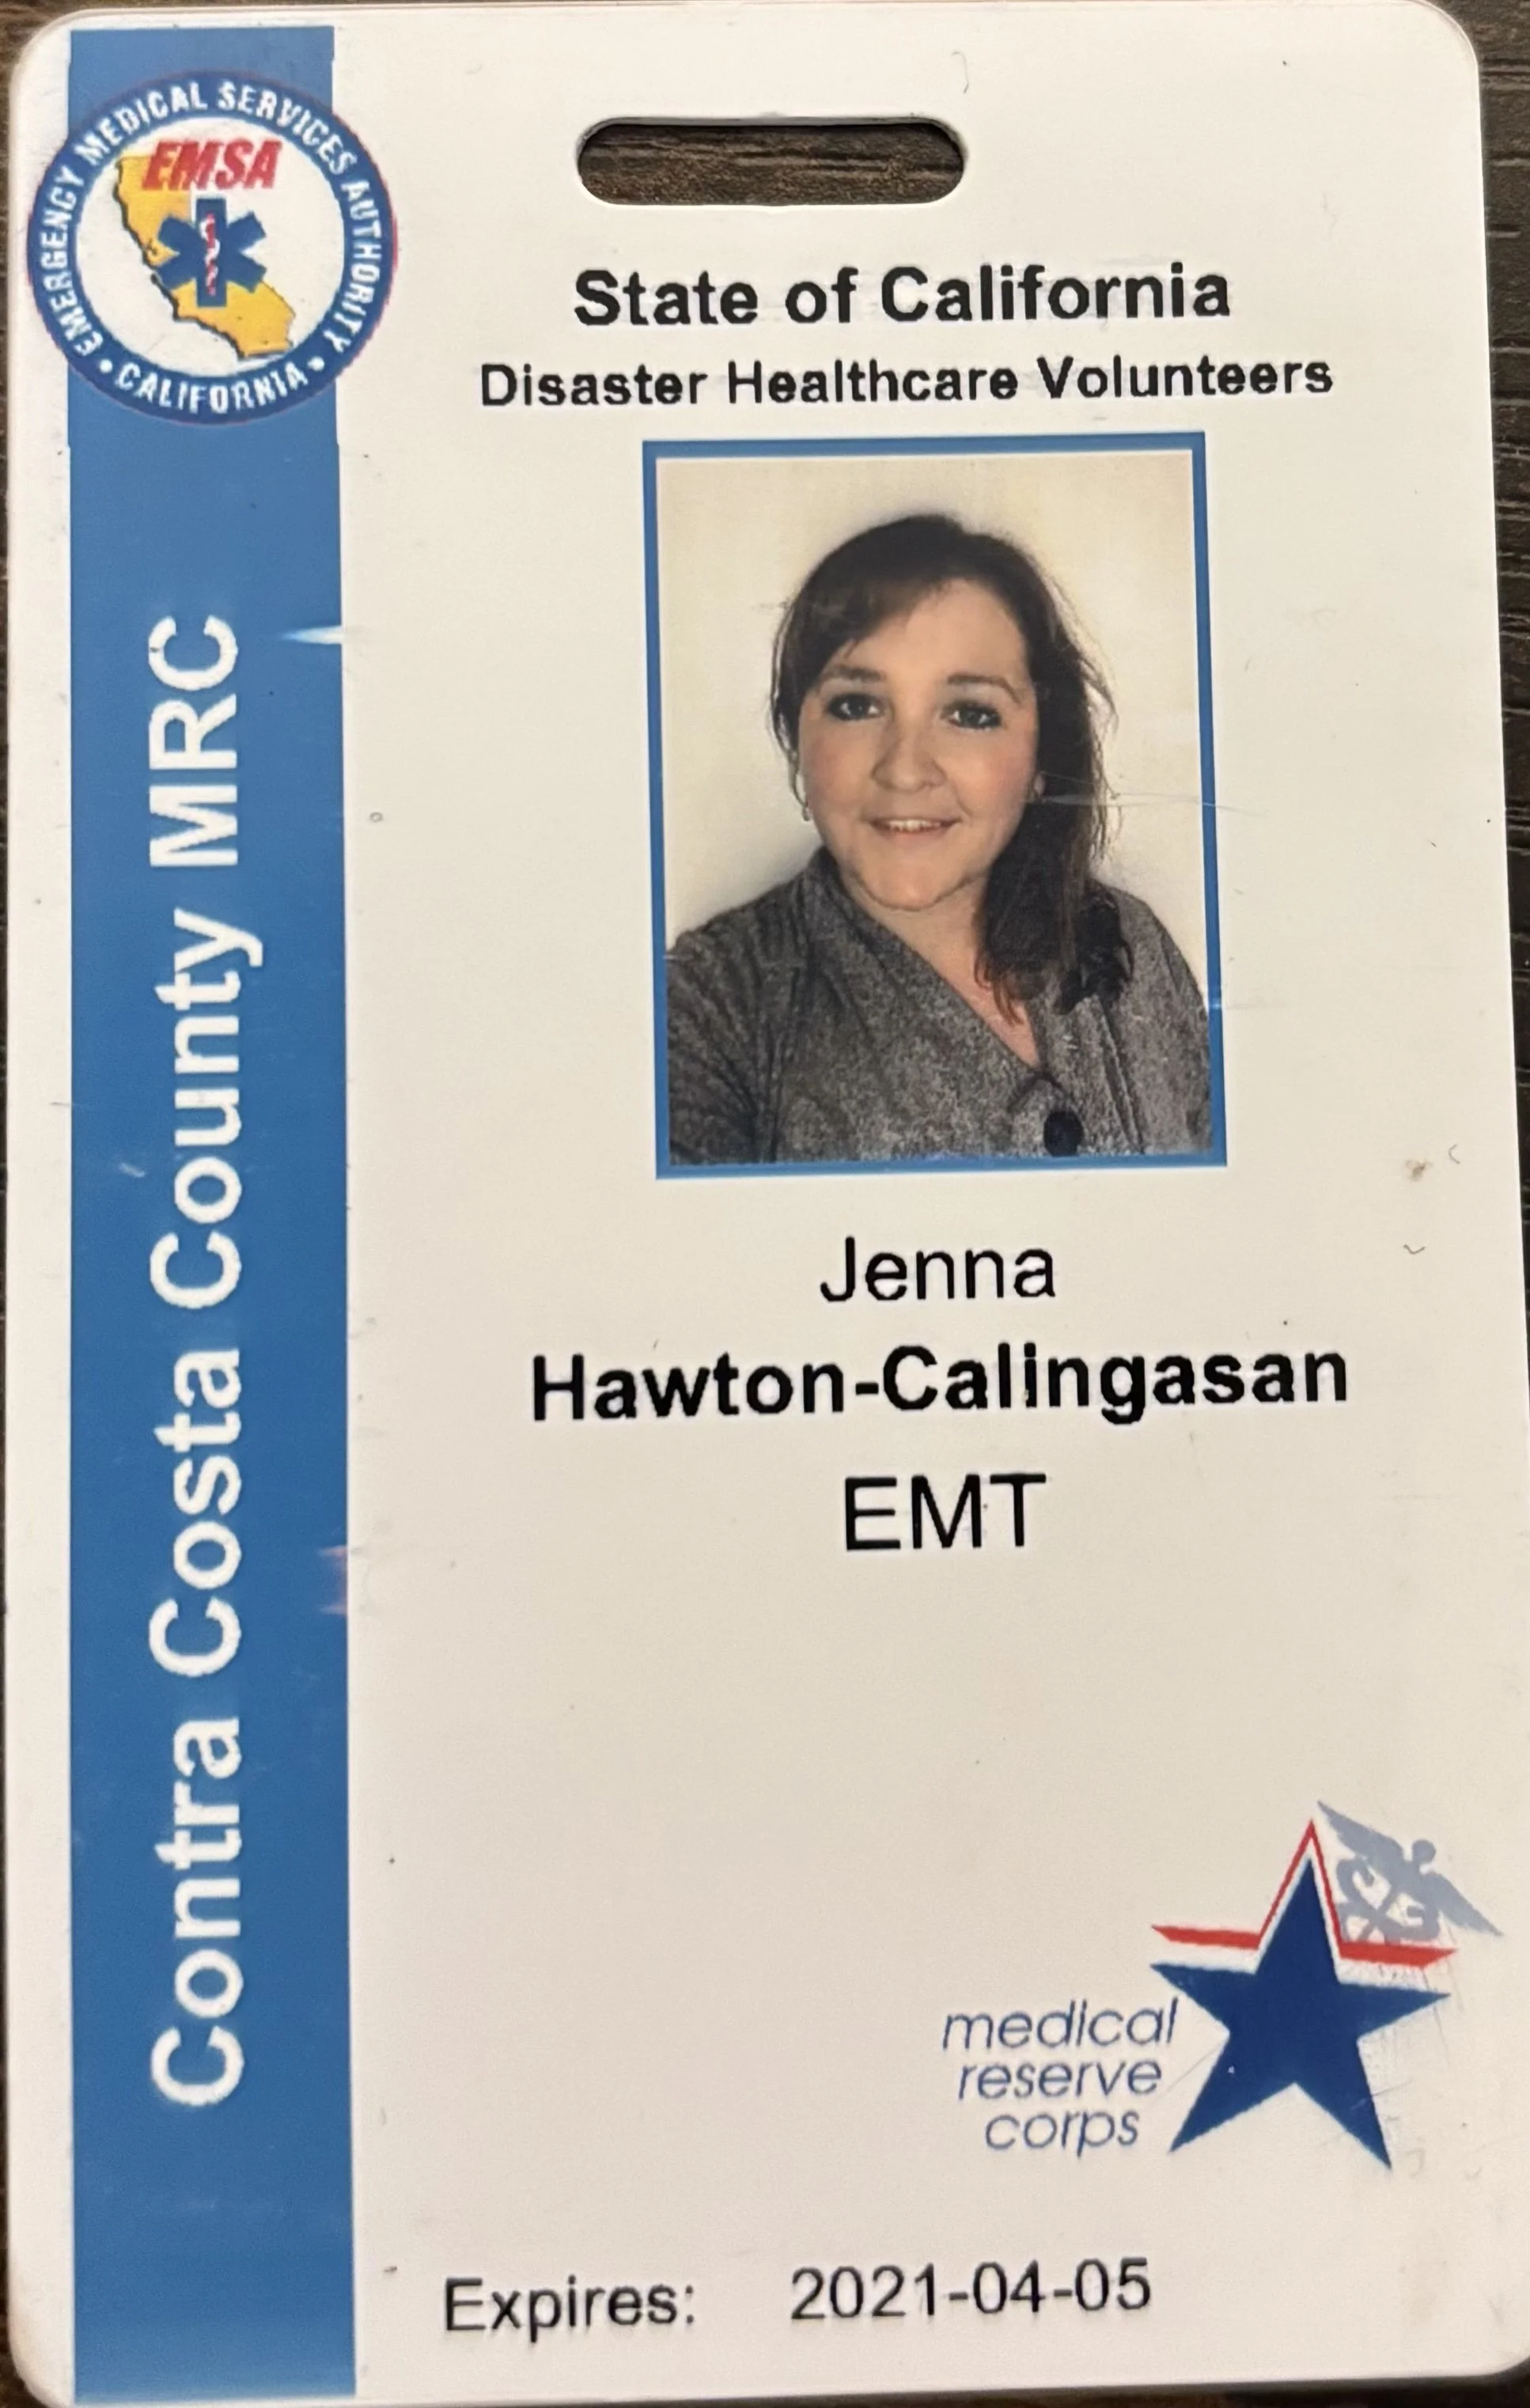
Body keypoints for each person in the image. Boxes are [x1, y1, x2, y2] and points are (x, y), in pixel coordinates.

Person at [665, 512, 1210, 1164]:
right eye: (857, 706)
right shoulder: (709, 1005)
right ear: (796, 742)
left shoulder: (1134, 943)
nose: (905, 769)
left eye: (970, 714)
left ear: (1041, 759)